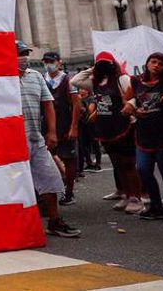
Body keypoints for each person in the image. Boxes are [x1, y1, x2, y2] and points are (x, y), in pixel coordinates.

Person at [17, 42, 81, 237]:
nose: (24, 58)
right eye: (20, 54)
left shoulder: (35, 77)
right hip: (12, 141)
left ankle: (54, 221)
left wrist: (51, 132)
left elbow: (48, 105)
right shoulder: (1, 80)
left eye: (26, 54)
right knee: (17, 185)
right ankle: (20, 224)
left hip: (36, 138)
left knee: (50, 178)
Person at [72, 52, 143, 214]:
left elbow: (135, 95)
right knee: (117, 164)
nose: (103, 66)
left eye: (106, 63)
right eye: (99, 64)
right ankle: (125, 194)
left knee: (128, 163)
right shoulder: (95, 82)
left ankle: (136, 197)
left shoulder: (121, 79)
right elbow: (75, 81)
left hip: (123, 126)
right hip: (106, 128)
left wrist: (130, 105)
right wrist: (93, 68)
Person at [130, 53, 163, 221]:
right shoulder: (136, 81)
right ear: (147, 63)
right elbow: (129, 100)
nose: (156, 65)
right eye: (153, 61)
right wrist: (135, 110)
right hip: (144, 134)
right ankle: (156, 205)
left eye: (161, 63)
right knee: (143, 169)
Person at [42, 52, 81, 205]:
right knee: (46, 158)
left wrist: (74, 126)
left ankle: (69, 191)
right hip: (46, 125)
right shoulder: (42, 79)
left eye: (51, 61)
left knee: (69, 158)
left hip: (64, 124)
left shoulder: (67, 80)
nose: (48, 64)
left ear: (59, 62)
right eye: (46, 61)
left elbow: (76, 104)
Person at [77, 87, 102, 172]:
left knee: (94, 142)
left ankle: (98, 163)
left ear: (88, 90)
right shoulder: (78, 98)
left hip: (91, 123)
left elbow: (90, 111)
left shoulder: (92, 99)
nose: (81, 90)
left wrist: (79, 102)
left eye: (83, 89)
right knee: (83, 144)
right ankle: (89, 162)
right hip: (82, 124)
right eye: (80, 89)